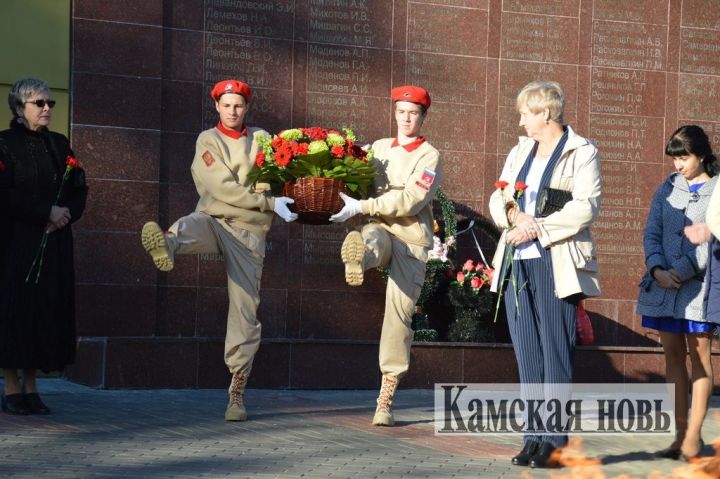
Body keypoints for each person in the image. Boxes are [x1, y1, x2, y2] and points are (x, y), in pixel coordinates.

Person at [140, 79, 297, 421]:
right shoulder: (207, 140)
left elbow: (276, 175)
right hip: (214, 217)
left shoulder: (263, 139)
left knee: (245, 310)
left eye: (238, 105)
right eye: (226, 105)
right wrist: (265, 201)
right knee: (188, 225)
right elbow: (219, 186)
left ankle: (236, 391)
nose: (232, 111)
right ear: (216, 107)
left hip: (249, 233)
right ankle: (166, 243)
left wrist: (269, 197)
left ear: (247, 107)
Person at [488, 80, 601, 468]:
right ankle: (533, 437)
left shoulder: (581, 151)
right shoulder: (521, 150)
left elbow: (586, 207)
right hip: (517, 259)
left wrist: (536, 226)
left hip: (557, 262)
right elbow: (499, 193)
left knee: (554, 353)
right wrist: (513, 216)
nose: (520, 123)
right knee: (527, 354)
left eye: (525, 114)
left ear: (545, 114)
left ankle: (554, 441)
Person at [330, 85, 440, 426]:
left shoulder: (429, 156)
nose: (407, 118)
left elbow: (411, 201)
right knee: (372, 238)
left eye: (413, 113)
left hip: (412, 238)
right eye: (401, 111)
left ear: (423, 117)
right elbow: (353, 175)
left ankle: (385, 396)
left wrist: (363, 205)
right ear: (394, 113)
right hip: (380, 226)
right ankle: (359, 258)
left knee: (399, 316)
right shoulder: (377, 149)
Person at [0, 78, 88, 415]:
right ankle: (11, 387)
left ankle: (32, 387)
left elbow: (78, 187)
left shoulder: (59, 144)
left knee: (43, 312)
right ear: (20, 109)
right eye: (39, 103)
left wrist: (65, 215)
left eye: (49, 102)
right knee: (16, 311)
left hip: (53, 242)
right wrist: (43, 212)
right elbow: (4, 193)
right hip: (16, 244)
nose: (47, 108)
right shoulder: (4, 144)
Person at [640, 125, 719, 461]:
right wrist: (657, 269)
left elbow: (713, 240)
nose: (678, 164)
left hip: (699, 289)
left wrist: (682, 270)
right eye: (674, 158)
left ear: (701, 154)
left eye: (683, 157)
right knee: (671, 356)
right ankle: (678, 434)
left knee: (700, 357)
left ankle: (694, 437)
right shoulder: (667, 188)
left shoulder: (718, 189)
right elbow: (651, 233)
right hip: (663, 289)